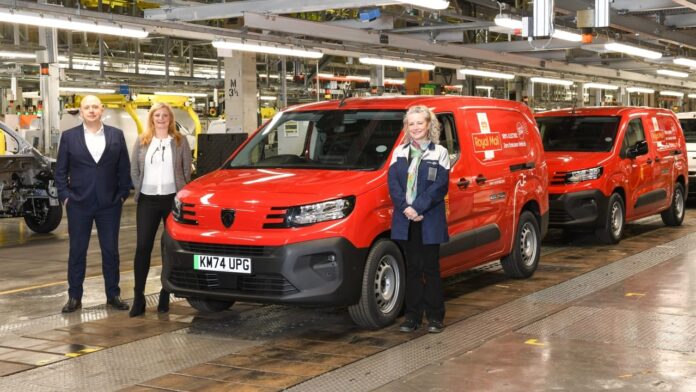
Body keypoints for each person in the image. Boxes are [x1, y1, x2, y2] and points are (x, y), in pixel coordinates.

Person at [55, 95, 132, 313]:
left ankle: (113, 294)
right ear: (80, 111)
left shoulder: (116, 135)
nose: (91, 110)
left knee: (111, 251)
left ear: (102, 110)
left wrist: (122, 195)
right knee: (77, 251)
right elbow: (60, 171)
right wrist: (66, 197)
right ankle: (74, 297)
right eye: (86, 107)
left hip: (109, 204)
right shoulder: (69, 137)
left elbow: (123, 169)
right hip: (79, 204)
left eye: (95, 107)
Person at [387, 105, 450, 334]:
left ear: (429, 125)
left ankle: (435, 317)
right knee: (412, 268)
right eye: (411, 123)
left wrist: (419, 207)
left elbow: (439, 186)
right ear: (407, 127)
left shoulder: (439, 153)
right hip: (406, 219)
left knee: (431, 268)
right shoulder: (398, 152)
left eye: (419, 123)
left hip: (429, 218)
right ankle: (412, 317)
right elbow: (393, 185)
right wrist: (406, 209)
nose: (415, 127)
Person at [129, 102, 192, 317]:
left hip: (171, 200)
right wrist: (140, 188)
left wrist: (180, 195)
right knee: (143, 247)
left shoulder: (180, 141)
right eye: (157, 115)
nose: (161, 118)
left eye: (165, 115)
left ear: (170, 119)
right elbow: (135, 170)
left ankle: (166, 292)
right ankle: (139, 297)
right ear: (152, 118)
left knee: (168, 247)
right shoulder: (142, 140)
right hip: (147, 200)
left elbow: (186, 170)